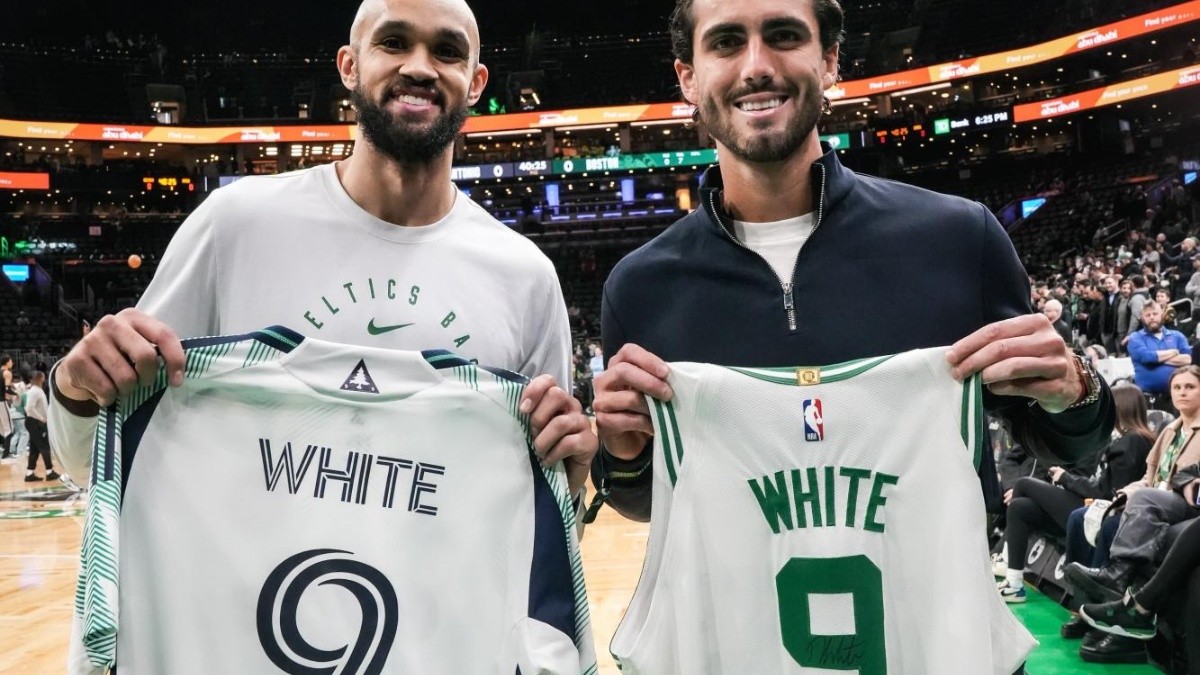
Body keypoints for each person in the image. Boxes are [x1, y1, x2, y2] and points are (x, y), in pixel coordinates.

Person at [590, 0, 1113, 671]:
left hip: (935, 644)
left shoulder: (958, 239)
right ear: (687, 76)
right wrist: (624, 453)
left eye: (784, 35)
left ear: (830, 60)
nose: (756, 65)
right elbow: (646, 498)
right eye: (726, 42)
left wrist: (1075, 389)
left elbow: (1072, 438)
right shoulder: (640, 288)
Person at [49, 0, 596, 496]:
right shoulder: (235, 225)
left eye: (446, 51)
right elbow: (94, 462)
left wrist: (568, 479)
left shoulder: (525, 276)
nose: (419, 67)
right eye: (393, 42)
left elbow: (539, 506)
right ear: (349, 66)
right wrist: (76, 389)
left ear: (475, 83)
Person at [995, 384, 1155, 603]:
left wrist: (1066, 479)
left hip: (1102, 511)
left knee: (1024, 484)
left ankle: (1004, 558)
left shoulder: (1133, 441)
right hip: (1091, 505)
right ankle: (1014, 583)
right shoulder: (1124, 439)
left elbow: (1108, 492)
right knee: (1020, 507)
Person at [1066, 366, 1200, 603]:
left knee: (1114, 523)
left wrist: (1142, 494)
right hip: (1154, 500)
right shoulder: (1170, 431)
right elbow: (1149, 478)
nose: (1182, 392)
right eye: (1177, 387)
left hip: (1186, 504)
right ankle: (1081, 601)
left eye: (1190, 387)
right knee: (1082, 515)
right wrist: (1125, 493)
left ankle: (1115, 579)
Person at [1126, 301, 1191, 410]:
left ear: (1162, 314)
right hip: (1147, 399)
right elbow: (1146, 357)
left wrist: (1156, 358)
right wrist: (1174, 352)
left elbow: (1188, 360)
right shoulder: (1135, 337)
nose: (1152, 317)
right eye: (1148, 315)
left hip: (1176, 398)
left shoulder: (1177, 336)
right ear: (1142, 318)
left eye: (1155, 314)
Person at [23, 371, 58, 482]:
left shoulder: (38, 390)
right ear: (39, 378)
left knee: (34, 449)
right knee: (45, 447)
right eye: (43, 377)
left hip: (35, 422)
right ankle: (50, 472)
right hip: (35, 422)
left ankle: (29, 474)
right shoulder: (34, 391)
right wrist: (42, 418)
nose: (44, 379)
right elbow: (29, 408)